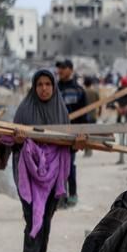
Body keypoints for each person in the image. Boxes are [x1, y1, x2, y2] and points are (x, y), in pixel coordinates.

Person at [11, 70, 87, 252]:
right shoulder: (24, 110)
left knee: (45, 222)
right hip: (28, 174)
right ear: (34, 87)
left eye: (48, 84)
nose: (44, 88)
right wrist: (17, 141)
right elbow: (12, 145)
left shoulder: (61, 111)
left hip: (54, 176)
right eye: (40, 84)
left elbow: (67, 145)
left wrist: (77, 143)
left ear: (54, 87)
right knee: (32, 222)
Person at [56, 59, 90, 207]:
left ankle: (72, 194)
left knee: (68, 164)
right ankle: (60, 196)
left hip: (73, 135)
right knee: (56, 166)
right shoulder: (54, 89)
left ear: (70, 69)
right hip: (55, 134)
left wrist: (82, 136)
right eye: (59, 68)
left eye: (63, 68)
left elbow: (84, 116)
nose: (60, 71)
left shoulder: (79, 91)